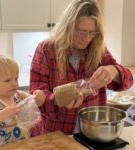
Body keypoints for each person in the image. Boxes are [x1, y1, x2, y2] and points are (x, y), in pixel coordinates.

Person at [29, 0, 133, 135]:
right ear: (68, 27)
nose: (86, 38)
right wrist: (58, 100)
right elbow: (36, 93)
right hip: (56, 132)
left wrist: (114, 71)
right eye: (81, 32)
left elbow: (128, 81)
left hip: (91, 132)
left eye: (91, 33)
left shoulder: (98, 50)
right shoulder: (46, 49)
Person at [0, 55, 45, 148]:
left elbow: (36, 102)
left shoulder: (19, 95)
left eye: (16, 78)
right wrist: (3, 114)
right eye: (7, 80)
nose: (14, 83)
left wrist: (39, 97)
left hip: (22, 145)